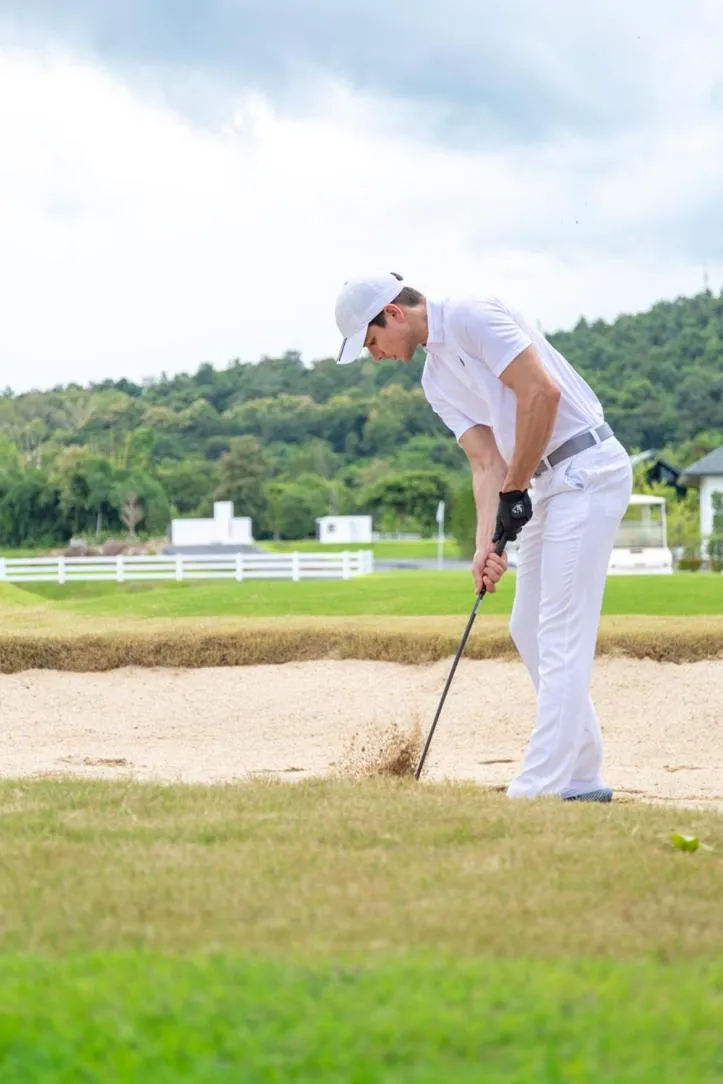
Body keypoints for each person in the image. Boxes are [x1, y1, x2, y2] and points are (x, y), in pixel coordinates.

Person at [334, 271, 632, 802]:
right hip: (544, 483)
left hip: (587, 469)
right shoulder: (434, 381)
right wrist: (486, 545)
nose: (374, 355)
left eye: (371, 341)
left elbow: (541, 393)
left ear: (394, 313)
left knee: (561, 631)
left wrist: (515, 491)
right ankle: (583, 775)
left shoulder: (472, 313)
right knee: (528, 628)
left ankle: (540, 786)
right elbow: (485, 462)